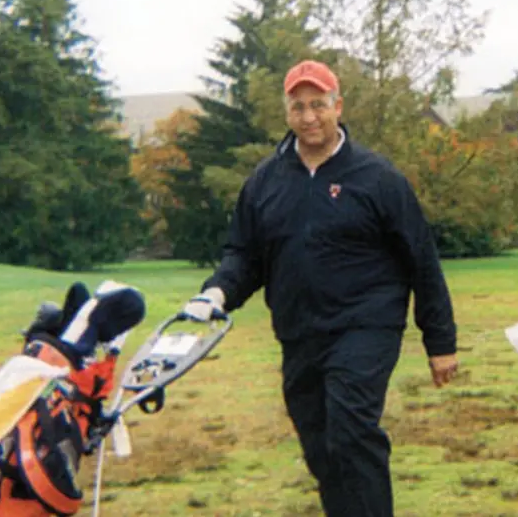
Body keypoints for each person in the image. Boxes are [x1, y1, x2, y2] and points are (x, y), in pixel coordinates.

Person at [178, 59, 459, 517]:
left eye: (318, 105)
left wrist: (440, 341)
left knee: (351, 431)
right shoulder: (265, 182)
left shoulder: (378, 178)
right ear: (286, 112)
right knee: (322, 446)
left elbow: (421, 259)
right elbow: (244, 255)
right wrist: (216, 293)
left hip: (365, 326)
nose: (309, 117)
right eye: (299, 107)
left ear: (338, 106)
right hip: (299, 332)